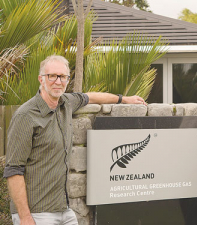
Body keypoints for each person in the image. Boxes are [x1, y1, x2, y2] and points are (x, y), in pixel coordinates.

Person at [3, 55, 146, 225]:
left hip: (64, 210)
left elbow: (90, 97)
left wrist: (124, 99)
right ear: (41, 79)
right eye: (52, 76)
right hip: (37, 213)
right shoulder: (26, 116)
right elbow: (13, 170)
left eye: (63, 77)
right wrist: (25, 217)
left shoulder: (66, 103)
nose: (58, 81)